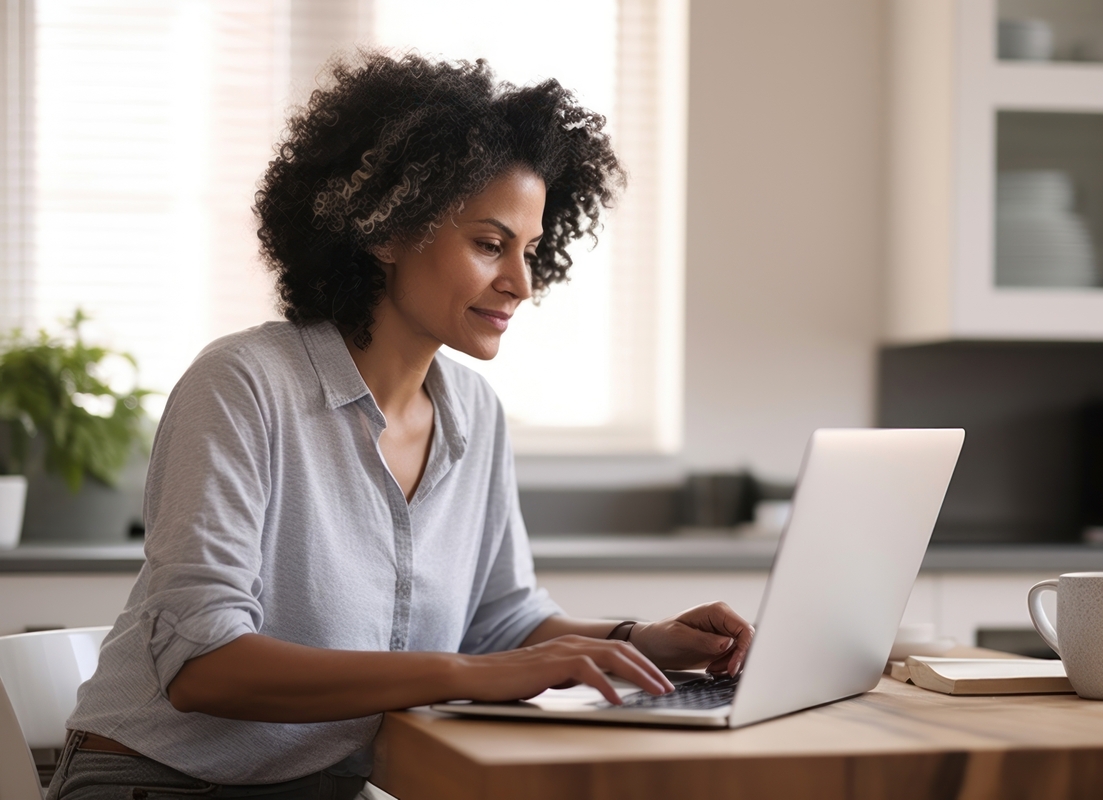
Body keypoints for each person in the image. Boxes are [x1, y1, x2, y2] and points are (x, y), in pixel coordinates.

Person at [47, 52, 754, 799]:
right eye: (490, 244)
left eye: (531, 250)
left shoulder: (474, 413)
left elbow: (500, 617)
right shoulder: (244, 385)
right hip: (156, 782)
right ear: (385, 229)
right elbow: (203, 667)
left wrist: (637, 641)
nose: (521, 283)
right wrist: (467, 674)